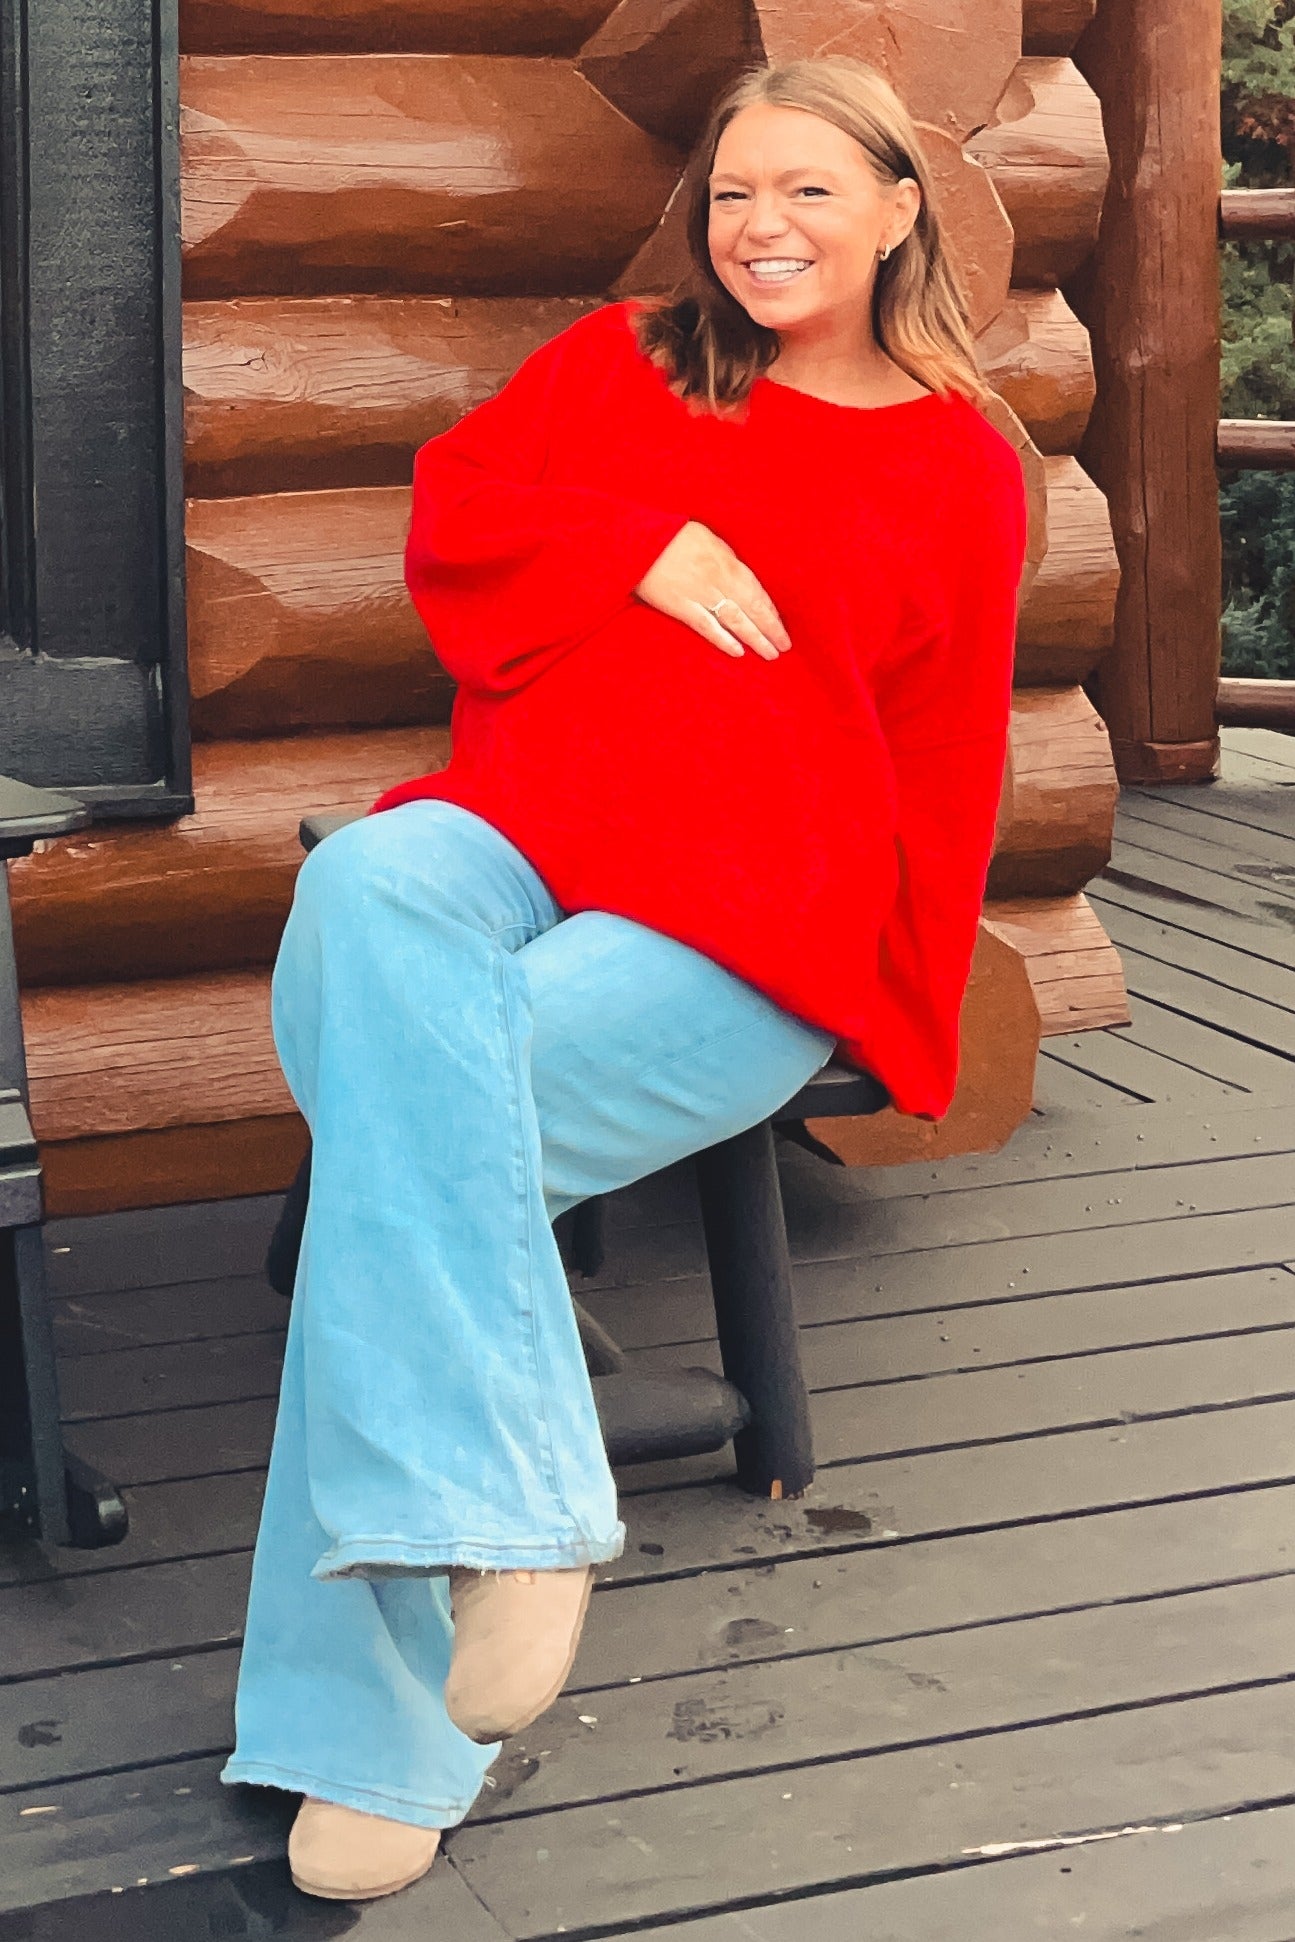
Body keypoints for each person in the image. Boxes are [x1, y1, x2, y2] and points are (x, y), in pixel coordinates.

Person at [219, 52, 1028, 1903]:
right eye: (735, 192)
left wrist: (894, 989)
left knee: (405, 1141)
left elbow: (950, 760)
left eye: (809, 190)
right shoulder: (626, 364)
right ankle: (513, 1514)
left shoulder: (960, 468)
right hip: (524, 835)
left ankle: (368, 1740)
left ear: (900, 210)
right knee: (365, 880)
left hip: (752, 925)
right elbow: (457, 509)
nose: (762, 227)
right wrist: (637, 544)